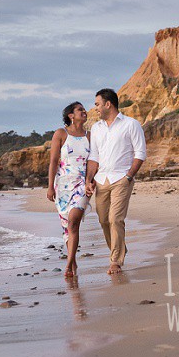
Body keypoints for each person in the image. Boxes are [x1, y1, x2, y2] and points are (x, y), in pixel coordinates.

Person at [85, 88, 146, 275]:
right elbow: (94, 156)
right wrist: (89, 179)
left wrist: (129, 176)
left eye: (97, 104)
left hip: (122, 178)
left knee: (115, 219)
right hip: (101, 180)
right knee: (103, 220)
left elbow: (140, 153)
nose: (95, 108)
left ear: (108, 104)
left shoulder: (131, 124)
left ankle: (116, 261)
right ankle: (120, 248)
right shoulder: (96, 128)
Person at [46, 101, 91, 277]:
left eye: (84, 109)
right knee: (67, 226)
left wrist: (90, 180)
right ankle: (73, 261)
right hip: (63, 185)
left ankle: (69, 263)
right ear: (71, 115)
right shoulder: (60, 134)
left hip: (82, 184)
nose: (84, 111)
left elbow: (94, 161)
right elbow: (53, 162)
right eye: (80, 110)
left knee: (73, 222)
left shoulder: (90, 135)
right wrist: (50, 187)